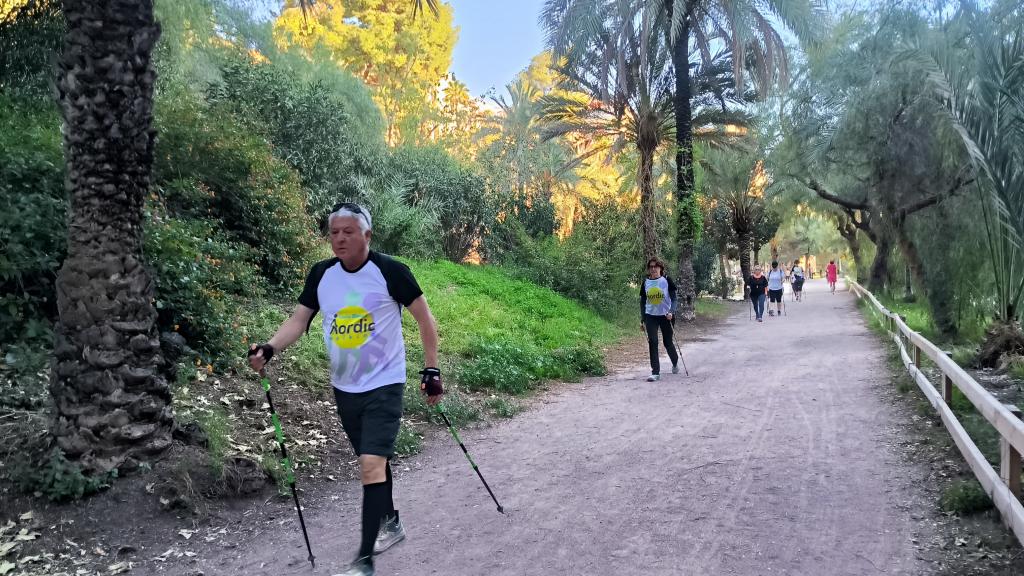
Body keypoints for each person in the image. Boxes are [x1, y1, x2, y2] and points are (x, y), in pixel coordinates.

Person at [247, 202, 442, 576]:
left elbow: (425, 319)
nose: (339, 238)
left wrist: (431, 369)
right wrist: (270, 347)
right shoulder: (322, 275)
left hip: (385, 383)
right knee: (374, 462)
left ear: (367, 235)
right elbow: (299, 320)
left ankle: (364, 561)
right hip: (345, 388)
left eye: (348, 231)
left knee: (370, 465)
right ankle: (391, 521)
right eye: (334, 232)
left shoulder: (390, 271)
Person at [640, 257, 680, 381]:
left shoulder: (666, 280)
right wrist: (642, 318)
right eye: (651, 267)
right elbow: (643, 301)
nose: (653, 269)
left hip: (666, 316)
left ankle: (675, 362)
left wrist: (671, 312)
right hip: (651, 316)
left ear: (660, 268)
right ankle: (655, 372)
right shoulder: (646, 282)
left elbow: (674, 299)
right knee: (653, 342)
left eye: (655, 267)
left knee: (667, 342)